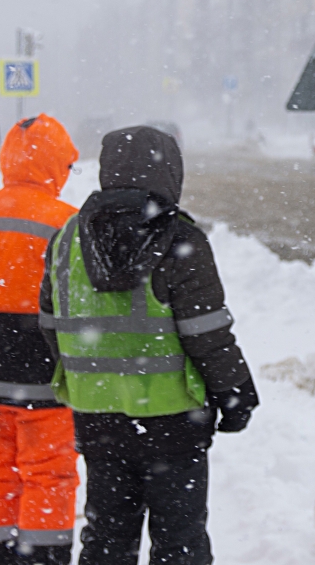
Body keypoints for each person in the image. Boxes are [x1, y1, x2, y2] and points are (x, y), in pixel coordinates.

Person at [39, 126, 258, 565]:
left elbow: (50, 326)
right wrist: (235, 395)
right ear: (170, 172)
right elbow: (207, 333)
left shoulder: (66, 241)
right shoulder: (181, 239)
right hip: (172, 420)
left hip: (97, 417)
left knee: (106, 538)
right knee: (179, 541)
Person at [0, 115, 81, 565]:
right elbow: (75, 305)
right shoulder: (67, 224)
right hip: (46, 377)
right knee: (49, 475)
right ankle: (41, 558)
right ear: (56, 164)